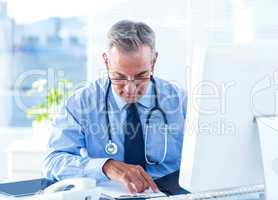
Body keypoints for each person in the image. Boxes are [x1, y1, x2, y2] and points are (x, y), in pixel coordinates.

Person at [42, 20, 187, 193]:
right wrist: (105, 167)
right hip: (110, 193)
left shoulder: (180, 101)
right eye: (119, 77)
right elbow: (53, 160)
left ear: (154, 61)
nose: (130, 88)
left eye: (141, 76)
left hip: (170, 194)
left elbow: (206, 159)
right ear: (106, 62)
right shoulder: (81, 103)